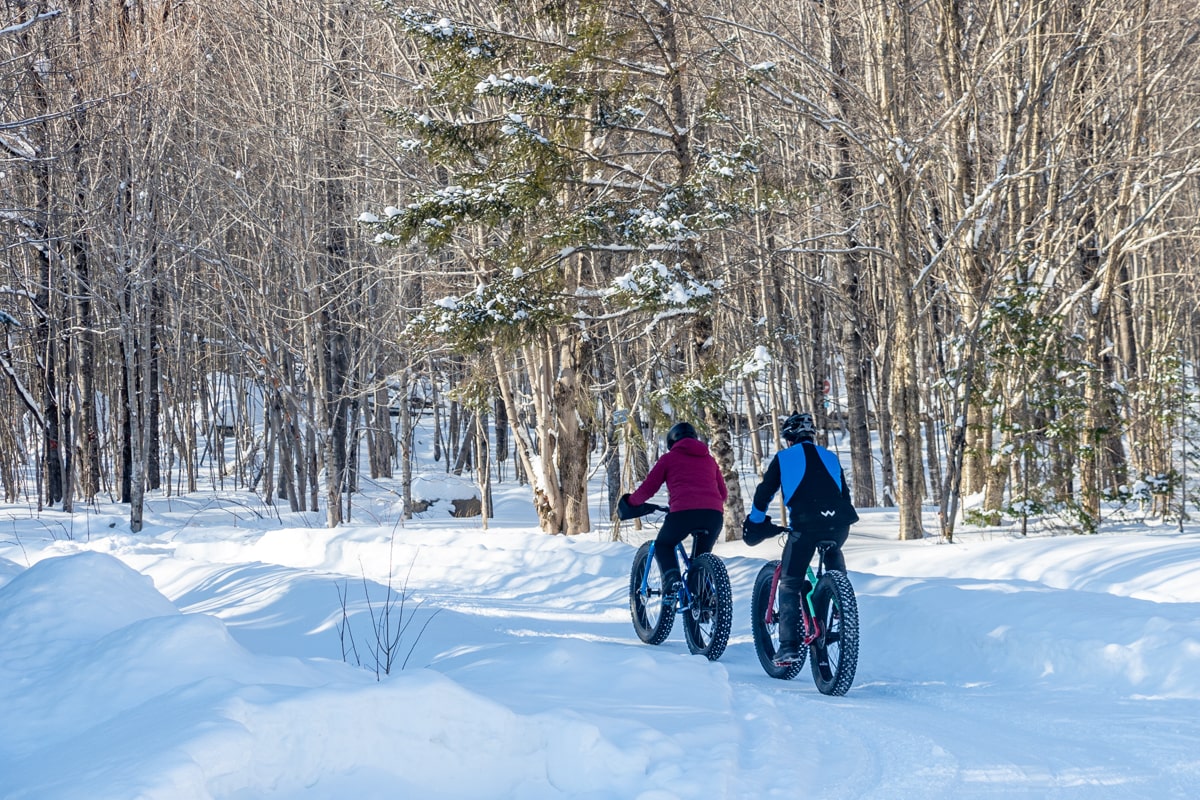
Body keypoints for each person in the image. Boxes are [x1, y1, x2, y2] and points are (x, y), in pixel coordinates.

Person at [742, 412, 858, 664]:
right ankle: (840, 606)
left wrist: (755, 522)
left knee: (790, 582)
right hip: (839, 525)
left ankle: (788, 646)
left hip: (806, 527)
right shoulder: (830, 457)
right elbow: (844, 495)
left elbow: (763, 494)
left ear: (789, 437)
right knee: (832, 551)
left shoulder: (784, 457)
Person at [621, 421, 728, 602]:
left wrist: (630, 502)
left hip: (682, 514)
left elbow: (648, 488)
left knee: (664, 545)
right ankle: (702, 601)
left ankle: (672, 581)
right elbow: (723, 494)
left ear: (672, 442)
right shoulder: (709, 460)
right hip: (713, 515)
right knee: (700, 559)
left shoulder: (668, 459)